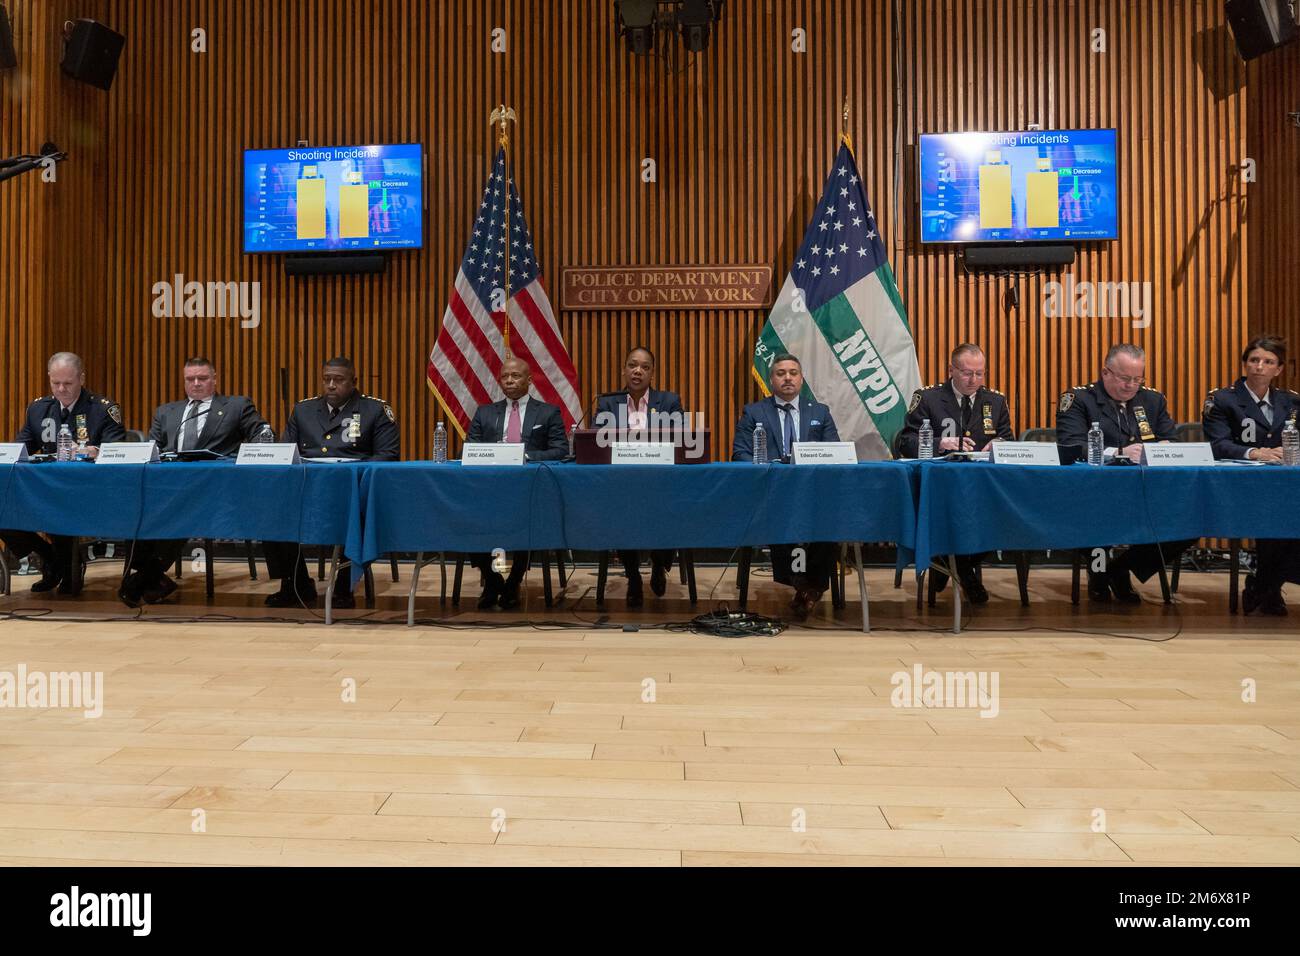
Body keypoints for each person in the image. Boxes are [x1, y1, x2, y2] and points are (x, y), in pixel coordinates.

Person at [118, 357, 272, 607]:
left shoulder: (236, 406)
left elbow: (262, 434)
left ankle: (145, 577)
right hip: (167, 486)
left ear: (214, 379)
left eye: (203, 378)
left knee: (183, 509)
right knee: (138, 506)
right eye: (191, 379)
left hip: (214, 490)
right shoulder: (167, 411)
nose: (197, 384)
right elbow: (152, 449)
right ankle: (154, 578)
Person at [1056, 343, 1195, 604]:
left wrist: (1163, 449)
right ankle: (1099, 573)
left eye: (1137, 378)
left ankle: (1122, 568)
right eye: (1124, 378)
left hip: (1148, 490)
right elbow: (1070, 444)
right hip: (1097, 490)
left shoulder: (1153, 400)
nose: (1131, 385)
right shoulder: (1079, 399)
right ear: (1105, 372)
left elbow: (1171, 441)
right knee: (1099, 512)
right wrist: (1119, 452)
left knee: (1190, 515)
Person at [263, 357, 400, 609]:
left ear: (353, 382)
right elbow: (285, 453)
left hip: (353, 492)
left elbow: (387, 456)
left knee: (355, 511)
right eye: (327, 379)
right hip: (307, 491)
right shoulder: (303, 410)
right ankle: (297, 583)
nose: (331, 385)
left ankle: (344, 585)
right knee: (270, 510)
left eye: (338, 380)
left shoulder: (375, 411)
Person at [895, 343, 1015, 603]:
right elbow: (905, 442)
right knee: (955, 517)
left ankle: (947, 562)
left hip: (983, 488)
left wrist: (1002, 444)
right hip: (941, 489)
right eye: (967, 373)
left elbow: (1009, 439)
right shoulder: (928, 398)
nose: (974, 380)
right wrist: (939, 442)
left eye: (980, 373)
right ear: (951, 370)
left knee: (1008, 516)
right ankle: (964, 572)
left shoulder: (995, 401)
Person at [0, 352, 125, 595]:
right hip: (44, 488)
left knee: (60, 505)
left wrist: (96, 451)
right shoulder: (38, 409)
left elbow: (118, 450)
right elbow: (20, 448)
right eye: (55, 383)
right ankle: (50, 558)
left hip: (89, 490)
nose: (61, 389)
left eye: (68, 383)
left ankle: (65, 567)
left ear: (81, 378)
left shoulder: (103, 410)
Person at [732, 353, 840, 619]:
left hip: (813, 494)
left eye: (793, 372)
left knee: (832, 517)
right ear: (771, 380)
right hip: (771, 493)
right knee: (781, 513)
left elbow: (836, 452)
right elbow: (740, 454)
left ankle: (808, 586)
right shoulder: (754, 412)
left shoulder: (820, 411)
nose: (788, 377)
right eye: (781, 373)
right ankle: (804, 584)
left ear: (802, 379)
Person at [1203, 335, 1300, 615]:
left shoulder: (1291, 403)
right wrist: (1255, 453)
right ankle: (1266, 588)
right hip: (1238, 487)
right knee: (1276, 518)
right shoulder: (1223, 399)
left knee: (1288, 518)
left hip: (1284, 485)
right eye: (1254, 360)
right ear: (1245, 364)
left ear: (1278, 369)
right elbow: (1216, 444)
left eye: (1268, 362)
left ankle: (1263, 585)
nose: (1260, 366)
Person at [466, 356, 568, 610]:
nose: (509, 381)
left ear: (529, 381)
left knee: (528, 522)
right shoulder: (485, 412)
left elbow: (560, 450)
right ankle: (492, 579)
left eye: (516, 376)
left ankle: (513, 581)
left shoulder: (548, 412)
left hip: (528, 492)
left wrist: (525, 456)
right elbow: (469, 449)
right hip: (489, 491)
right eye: (505, 377)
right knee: (466, 518)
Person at [594, 346, 685, 607]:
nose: (638, 371)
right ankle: (633, 577)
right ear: (624, 369)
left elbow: (679, 439)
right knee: (622, 513)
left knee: (669, 508)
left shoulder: (668, 402)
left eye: (645, 367)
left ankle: (659, 563)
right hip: (620, 481)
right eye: (633, 365)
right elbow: (598, 441)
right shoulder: (608, 402)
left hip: (659, 479)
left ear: (652, 373)